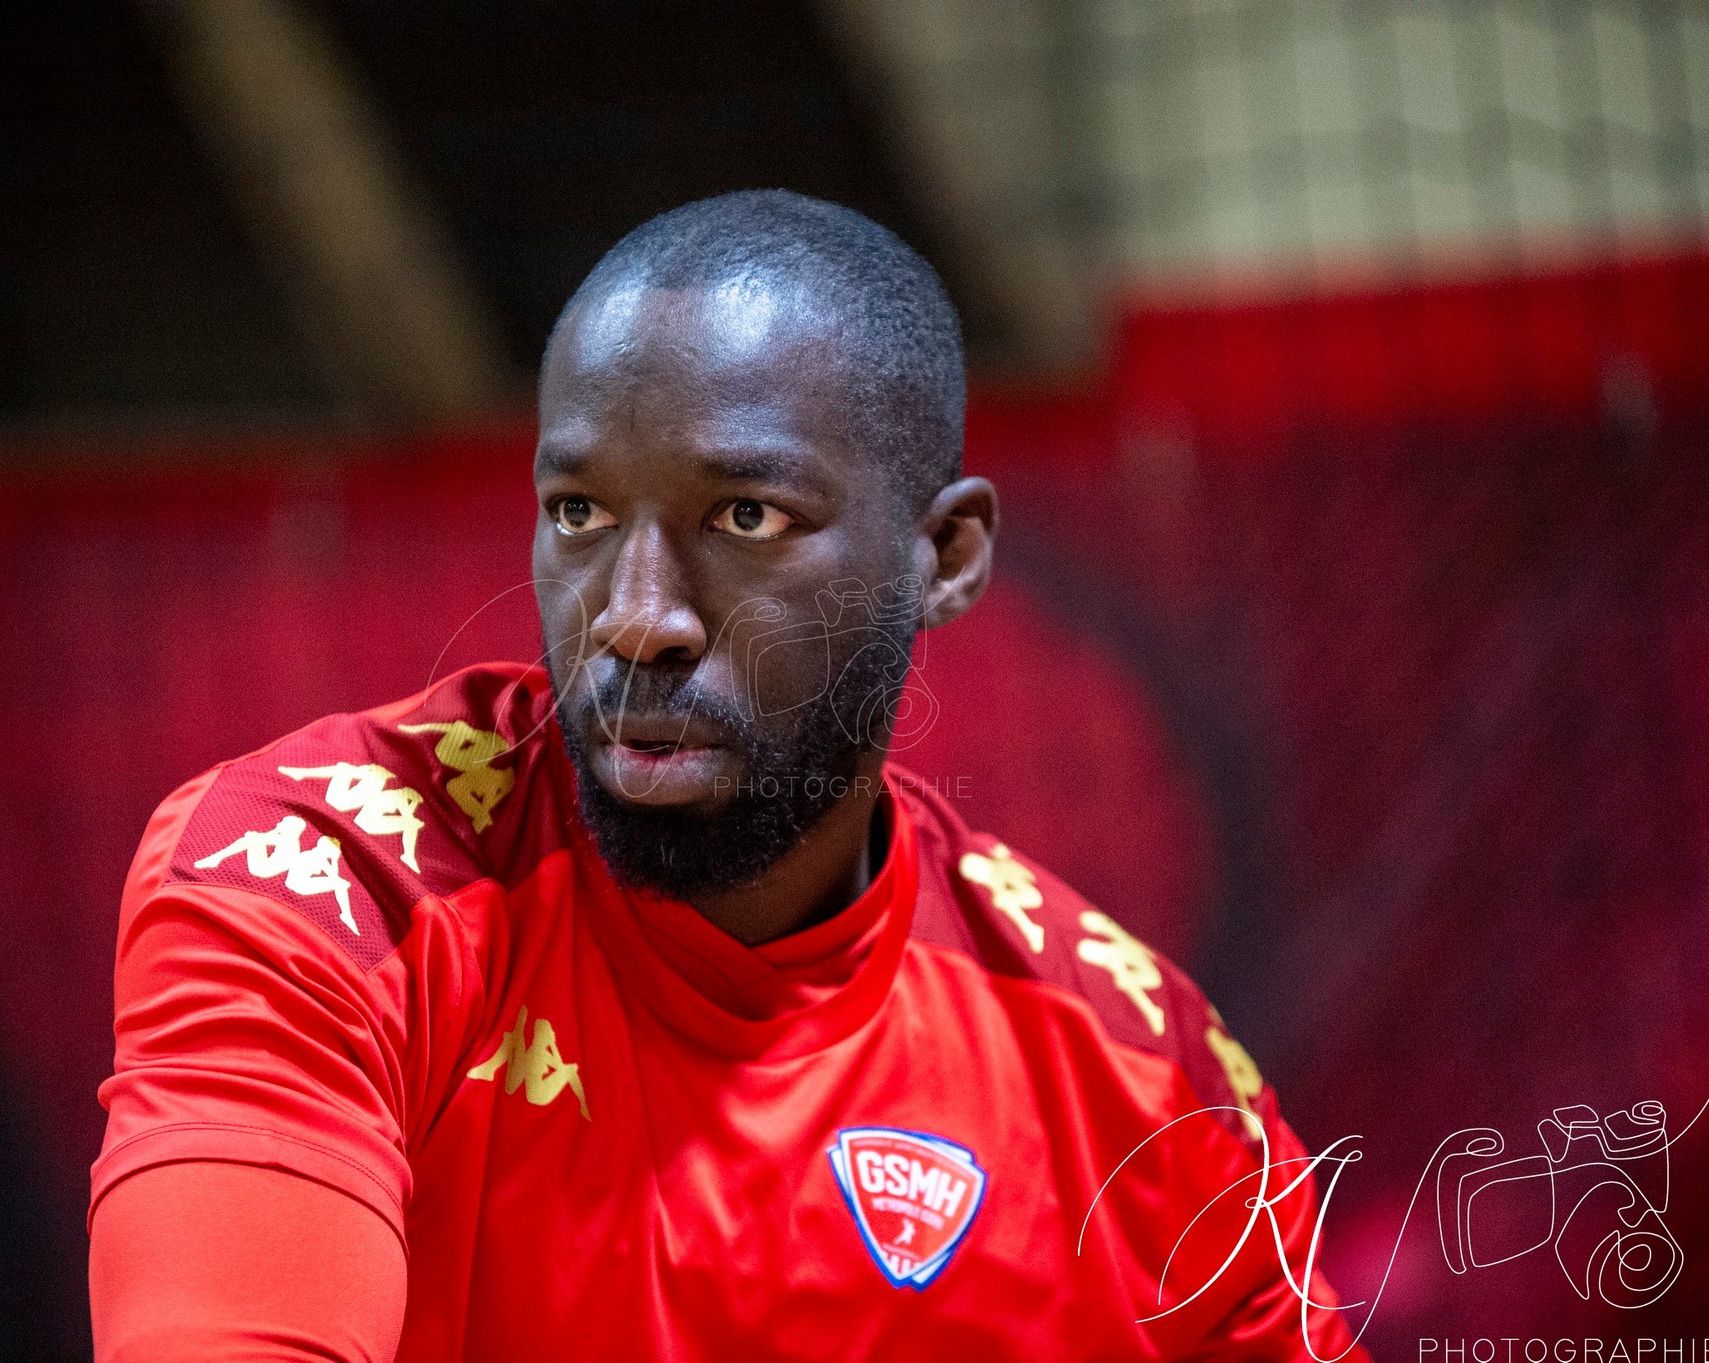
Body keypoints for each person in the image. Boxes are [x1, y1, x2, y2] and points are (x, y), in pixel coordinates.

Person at [88, 190, 1366, 1362]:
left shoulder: (1148, 1087)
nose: (635, 617)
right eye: (580, 513)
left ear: (945, 555)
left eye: (744, 516)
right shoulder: (321, 880)